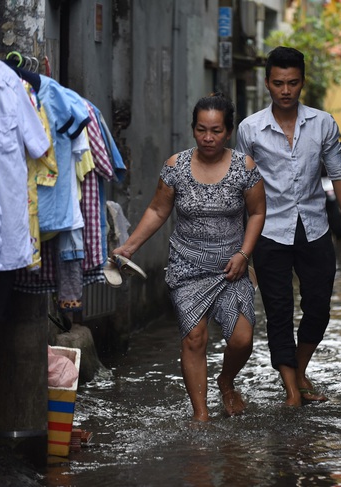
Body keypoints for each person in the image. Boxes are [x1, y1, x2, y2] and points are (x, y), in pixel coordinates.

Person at [113, 93, 266, 421]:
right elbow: (157, 209)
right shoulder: (176, 166)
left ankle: (226, 380)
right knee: (195, 337)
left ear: (228, 131)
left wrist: (244, 254)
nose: (208, 138)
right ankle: (201, 415)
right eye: (201, 130)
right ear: (193, 129)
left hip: (231, 266)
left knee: (242, 338)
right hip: (187, 265)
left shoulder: (244, 166)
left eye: (215, 130)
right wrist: (129, 247)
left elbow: (257, 213)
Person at [235, 46, 341, 407]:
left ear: (302, 82)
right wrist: (242, 247)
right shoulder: (250, 129)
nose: (285, 90)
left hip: (315, 227)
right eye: (278, 83)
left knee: (319, 307)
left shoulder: (322, 123)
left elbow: (339, 176)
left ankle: (300, 369)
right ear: (267, 84)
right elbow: (241, 187)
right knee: (277, 310)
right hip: (268, 230)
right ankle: (292, 388)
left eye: (292, 83)